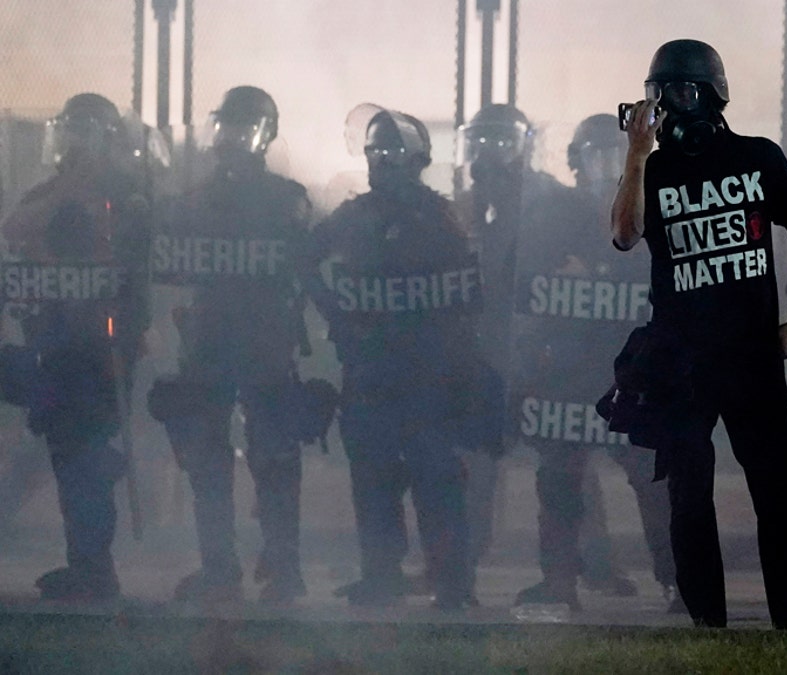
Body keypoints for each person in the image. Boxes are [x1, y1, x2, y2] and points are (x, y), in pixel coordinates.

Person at [611, 39, 787, 630]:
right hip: (681, 363)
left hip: (753, 356)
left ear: (713, 93)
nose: (673, 104)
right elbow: (625, 235)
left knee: (778, 493)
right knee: (688, 498)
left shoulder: (759, 156)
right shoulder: (652, 169)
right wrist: (636, 156)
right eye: (661, 93)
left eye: (684, 89)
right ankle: (708, 625)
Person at [304, 105, 476, 609]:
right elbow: (305, 256)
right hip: (371, 367)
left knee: (436, 477)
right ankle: (380, 574)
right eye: (375, 151)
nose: (381, 161)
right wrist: (336, 312)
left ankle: (451, 584)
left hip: (427, 370)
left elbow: (469, 289)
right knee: (373, 476)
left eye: (392, 151)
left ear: (417, 159)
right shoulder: (354, 216)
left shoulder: (441, 217)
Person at [510, 113, 677, 611]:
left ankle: (679, 582)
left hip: (634, 372)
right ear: (575, 163)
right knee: (559, 479)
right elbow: (531, 289)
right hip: (569, 372)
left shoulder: (658, 213)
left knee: (654, 479)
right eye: (596, 155)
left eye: (616, 155)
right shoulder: (554, 216)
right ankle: (559, 582)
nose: (606, 168)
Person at [152, 85, 312, 604]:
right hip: (210, 343)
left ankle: (283, 566)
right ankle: (221, 567)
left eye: (245, 129)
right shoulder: (195, 201)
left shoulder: (287, 201)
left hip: (262, 344)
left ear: (265, 135)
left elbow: (307, 268)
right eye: (228, 127)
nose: (232, 140)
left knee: (275, 457)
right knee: (206, 459)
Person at [0, 93, 153, 601]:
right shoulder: (44, 197)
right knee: (67, 454)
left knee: (81, 456)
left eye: (85, 133)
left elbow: (139, 276)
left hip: (96, 354)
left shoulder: (126, 199)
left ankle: (93, 568)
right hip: (48, 346)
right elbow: (13, 246)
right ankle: (87, 563)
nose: (73, 143)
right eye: (69, 131)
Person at [454, 103, 562, 585]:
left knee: (562, 457)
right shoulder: (476, 208)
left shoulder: (548, 204)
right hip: (493, 354)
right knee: (479, 456)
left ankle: (584, 564)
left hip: (541, 353)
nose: (486, 157)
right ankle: (464, 559)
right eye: (480, 144)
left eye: (500, 144)